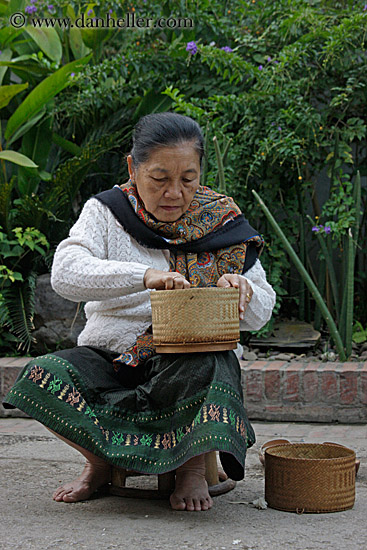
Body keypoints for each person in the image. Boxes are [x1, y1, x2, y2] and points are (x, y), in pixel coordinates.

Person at [3, 112, 276, 512]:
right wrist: (144, 275)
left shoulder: (223, 223)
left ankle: (191, 469)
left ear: (202, 171)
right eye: (160, 178)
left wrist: (244, 291)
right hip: (113, 354)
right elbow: (65, 273)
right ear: (133, 168)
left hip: (188, 359)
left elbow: (263, 311)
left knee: (212, 362)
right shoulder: (107, 212)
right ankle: (99, 461)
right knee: (42, 376)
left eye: (188, 179)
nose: (175, 193)